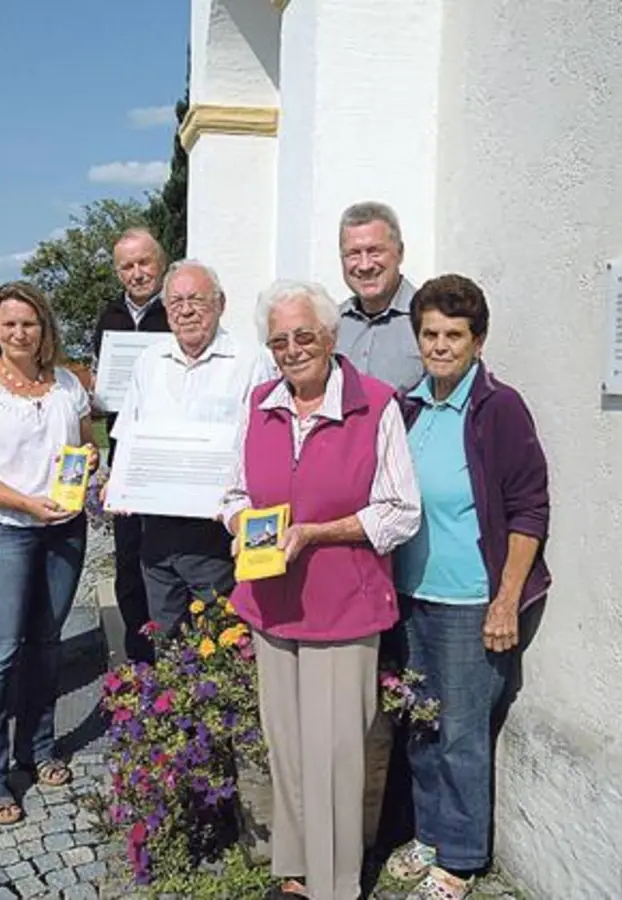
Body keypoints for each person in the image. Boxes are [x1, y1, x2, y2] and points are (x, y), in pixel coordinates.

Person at [221, 280, 422, 900]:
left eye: (303, 335)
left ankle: (336, 885)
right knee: (287, 745)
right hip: (271, 603)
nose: (291, 349)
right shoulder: (258, 403)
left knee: (335, 752)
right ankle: (294, 868)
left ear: (330, 337)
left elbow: (400, 511)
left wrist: (317, 533)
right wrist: (237, 527)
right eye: (278, 340)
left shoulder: (375, 404)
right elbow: (233, 492)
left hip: (343, 605)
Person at [383, 274, 552, 900]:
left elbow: (530, 508)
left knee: (459, 731)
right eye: (430, 333)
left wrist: (505, 599)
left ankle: (459, 856)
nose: (441, 345)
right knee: (422, 724)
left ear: (478, 341)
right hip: (411, 595)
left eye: (454, 335)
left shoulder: (497, 408)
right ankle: (428, 834)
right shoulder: (408, 406)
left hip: (469, 601)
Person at [0, 281, 97, 827]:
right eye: (9, 324)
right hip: (0, 529)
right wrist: (24, 503)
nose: (19, 332)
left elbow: (85, 446)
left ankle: (37, 747)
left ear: (44, 329)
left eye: (29, 323)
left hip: (62, 529)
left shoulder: (67, 386)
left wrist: (86, 472)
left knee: (45, 644)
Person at [106, 259, 277, 635]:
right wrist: (118, 485)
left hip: (217, 531)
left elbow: (267, 445)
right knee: (166, 638)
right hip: (157, 530)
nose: (185, 310)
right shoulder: (149, 363)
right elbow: (128, 436)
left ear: (221, 304)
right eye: (176, 301)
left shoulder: (252, 361)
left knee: (225, 638)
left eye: (197, 299)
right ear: (166, 309)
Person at [90, 228, 171, 662]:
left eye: (144, 263)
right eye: (127, 266)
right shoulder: (108, 318)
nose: (137, 273)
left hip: (170, 450)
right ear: (117, 271)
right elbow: (103, 381)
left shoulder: (177, 310)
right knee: (128, 558)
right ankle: (140, 657)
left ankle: (177, 653)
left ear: (160, 262)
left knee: (171, 555)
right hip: (126, 453)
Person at [335, 201, 424, 392]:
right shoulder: (330, 325)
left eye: (375, 251)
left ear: (400, 253)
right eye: (353, 254)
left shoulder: (428, 319)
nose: (365, 265)